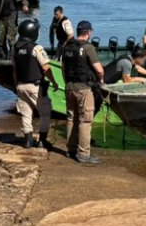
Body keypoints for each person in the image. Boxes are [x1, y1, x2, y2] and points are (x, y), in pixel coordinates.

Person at [61, 20, 104, 164]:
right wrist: (101, 80)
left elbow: (63, 68)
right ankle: (84, 153)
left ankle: (71, 150)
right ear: (88, 32)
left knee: (71, 119)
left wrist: (67, 82)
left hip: (69, 87)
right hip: (84, 89)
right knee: (85, 121)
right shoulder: (88, 47)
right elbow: (99, 69)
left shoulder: (68, 46)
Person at [12, 19, 59, 149]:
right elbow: (45, 68)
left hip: (21, 85)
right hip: (35, 86)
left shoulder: (15, 48)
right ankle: (42, 141)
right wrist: (54, 82)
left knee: (26, 113)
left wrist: (16, 86)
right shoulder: (36, 48)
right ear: (33, 33)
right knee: (45, 112)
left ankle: (28, 141)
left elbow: (15, 70)